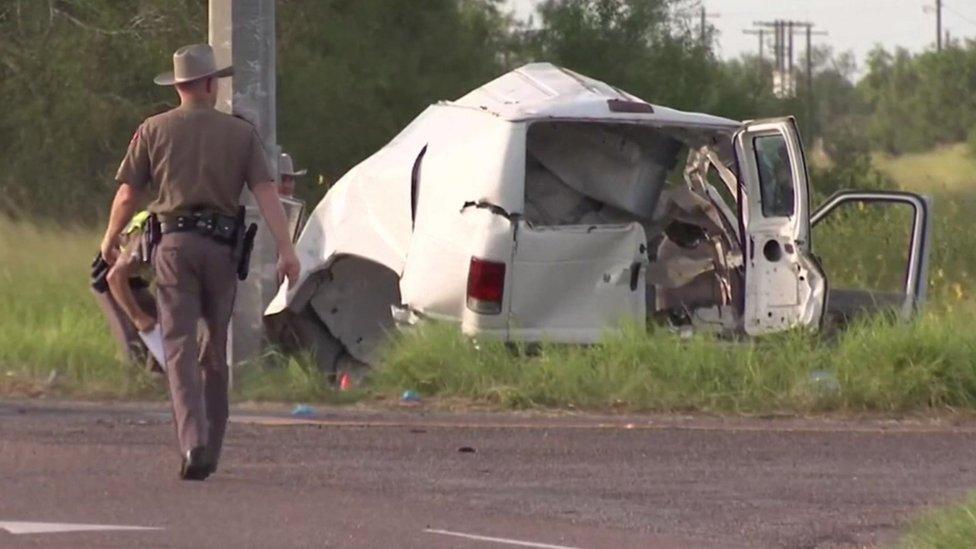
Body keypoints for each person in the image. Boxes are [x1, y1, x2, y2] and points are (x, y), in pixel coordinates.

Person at [101, 43, 301, 481]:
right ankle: (212, 443)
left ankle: (192, 444)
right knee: (215, 350)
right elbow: (268, 193)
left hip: (173, 247)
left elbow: (127, 193)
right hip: (222, 251)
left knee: (179, 348)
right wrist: (287, 250)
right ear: (210, 84)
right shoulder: (240, 134)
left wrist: (111, 237)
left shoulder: (153, 129)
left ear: (179, 86)